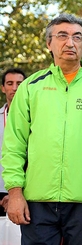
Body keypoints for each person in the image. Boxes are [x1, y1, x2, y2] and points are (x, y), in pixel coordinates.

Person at [1, 13, 82, 245]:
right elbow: (14, 144)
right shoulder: (31, 86)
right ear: (49, 44)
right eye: (62, 36)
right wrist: (15, 192)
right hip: (37, 202)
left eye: (77, 37)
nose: (70, 42)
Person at [0, 68, 26, 216]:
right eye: (10, 83)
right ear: (3, 88)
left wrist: (15, 193)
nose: (15, 88)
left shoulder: (34, 120)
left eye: (19, 83)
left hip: (22, 192)